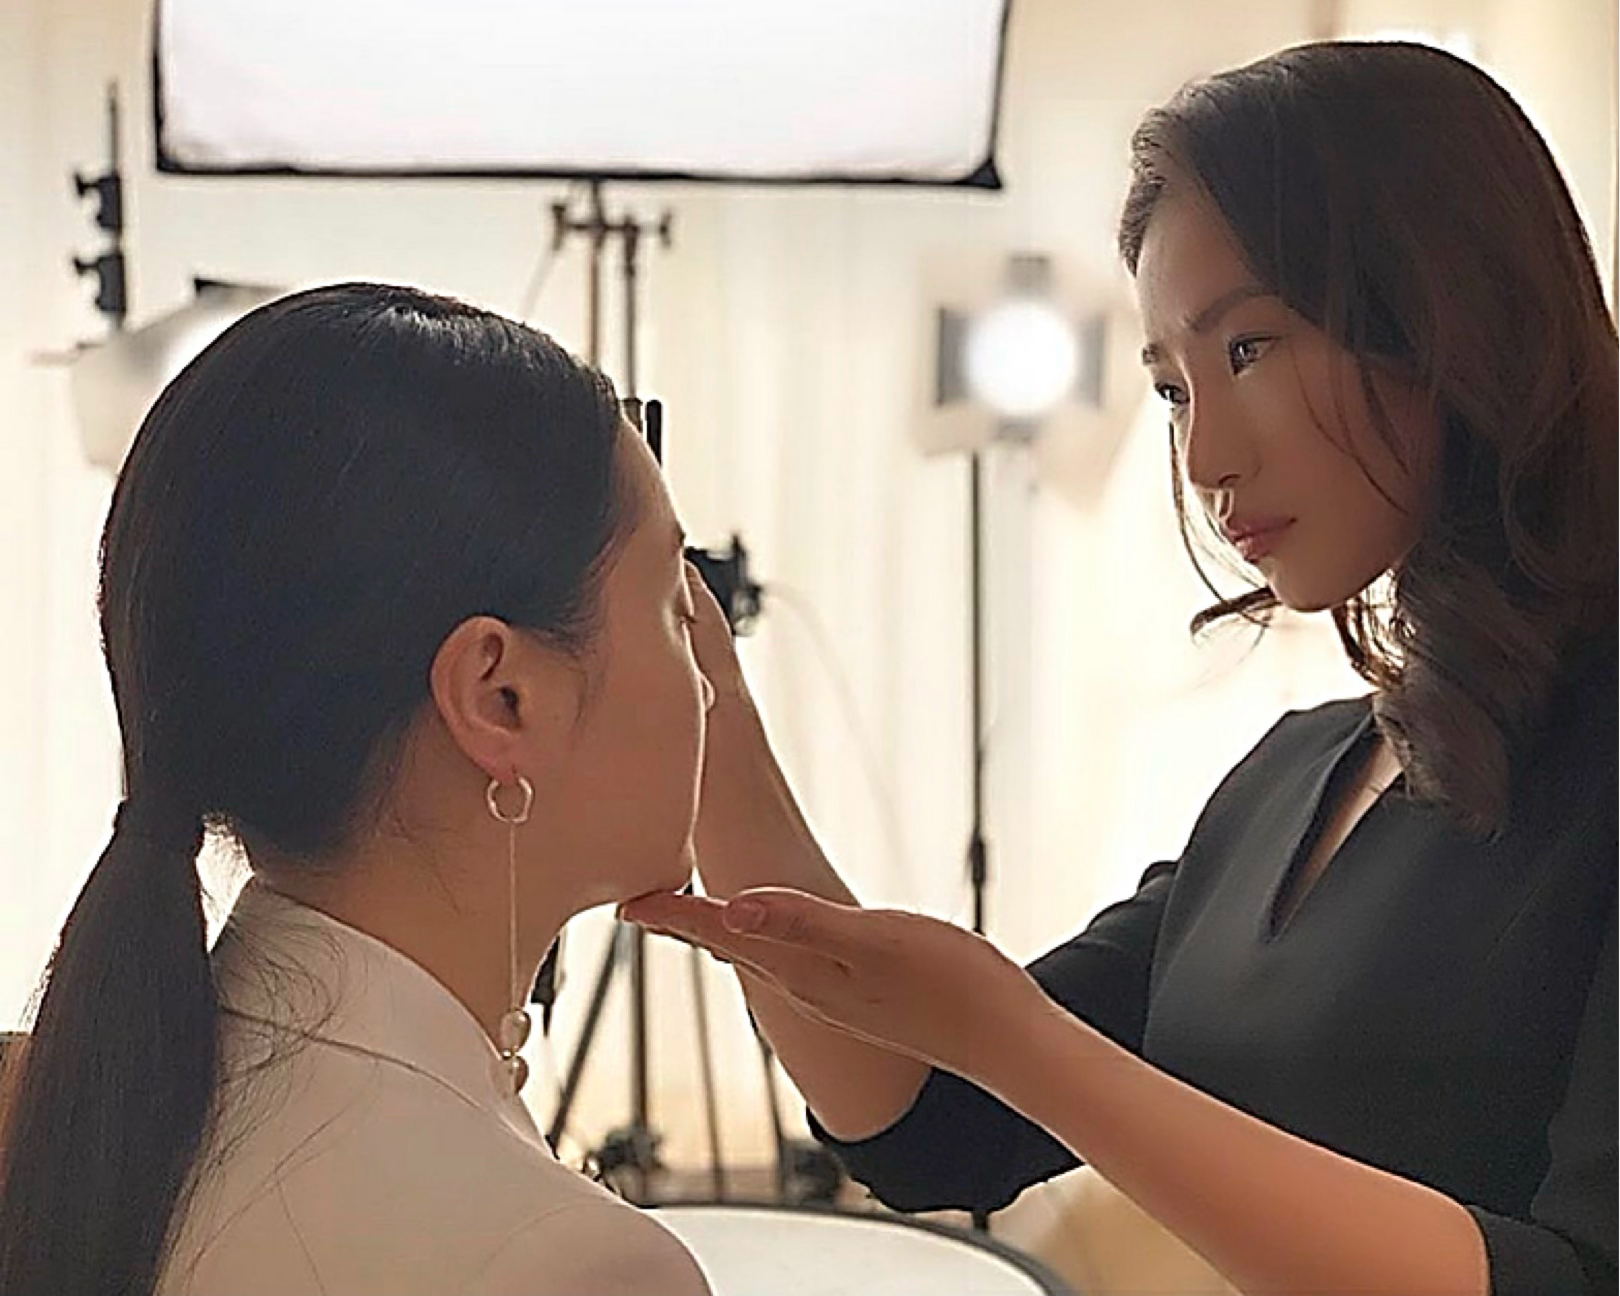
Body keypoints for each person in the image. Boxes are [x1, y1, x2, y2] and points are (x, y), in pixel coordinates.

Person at [624, 40, 1617, 1296]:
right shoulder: (1291, 782)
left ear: (1448, 306)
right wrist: (706, 699)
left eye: (1247, 349)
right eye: (1171, 387)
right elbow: (929, 1120)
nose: (1206, 462)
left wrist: (1020, 1042)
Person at [0, 284, 714, 1296]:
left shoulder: (83, 1110)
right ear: (500, 697)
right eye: (675, 610)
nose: (711, 686)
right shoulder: (568, 1263)